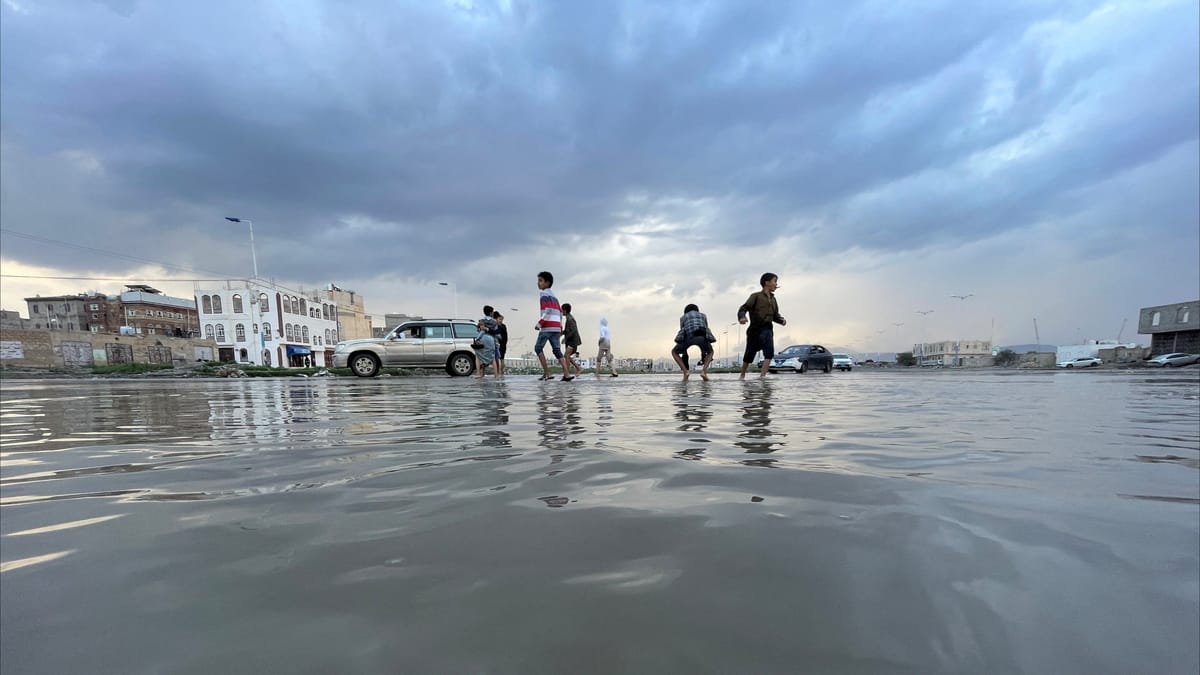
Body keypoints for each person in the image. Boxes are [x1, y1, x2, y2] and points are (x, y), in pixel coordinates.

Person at [738, 272, 786, 379]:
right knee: (749, 354)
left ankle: (762, 377)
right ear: (767, 283)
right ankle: (742, 376)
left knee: (769, 353)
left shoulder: (773, 299)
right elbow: (743, 308)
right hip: (755, 329)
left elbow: (775, 315)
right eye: (774, 281)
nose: (776, 284)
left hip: (767, 329)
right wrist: (742, 317)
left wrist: (781, 321)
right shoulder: (755, 296)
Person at [534, 271, 573, 381]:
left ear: (547, 283)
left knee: (538, 348)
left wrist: (539, 323)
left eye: (540, 281)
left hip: (547, 326)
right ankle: (566, 374)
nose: (538, 283)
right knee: (557, 350)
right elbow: (560, 313)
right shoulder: (555, 297)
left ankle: (547, 373)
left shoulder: (543, 294)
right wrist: (560, 328)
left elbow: (548, 310)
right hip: (556, 327)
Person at [672, 303, 716, 381]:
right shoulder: (703, 315)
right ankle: (704, 372)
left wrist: (684, 353)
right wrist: (703, 353)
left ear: (685, 312)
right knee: (711, 352)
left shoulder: (683, 317)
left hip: (689, 337)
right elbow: (705, 329)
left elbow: (683, 332)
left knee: (674, 352)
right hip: (702, 337)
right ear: (697, 310)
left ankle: (686, 372)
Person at [478, 305, 502, 378]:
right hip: (492, 340)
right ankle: (496, 374)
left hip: (483, 339)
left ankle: (482, 374)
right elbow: (496, 331)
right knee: (493, 358)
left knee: (482, 357)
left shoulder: (482, 321)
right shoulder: (494, 321)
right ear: (491, 313)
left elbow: (478, 329)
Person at [561, 303, 583, 378]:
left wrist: (565, 338)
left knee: (566, 355)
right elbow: (568, 330)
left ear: (565, 310)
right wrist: (562, 333)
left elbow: (574, 331)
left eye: (562, 310)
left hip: (573, 341)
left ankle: (566, 374)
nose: (561, 312)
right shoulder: (568, 318)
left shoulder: (570, 319)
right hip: (571, 340)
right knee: (566, 355)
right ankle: (578, 368)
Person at [492, 311, 508, 378]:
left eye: (501, 319)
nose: (500, 321)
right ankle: (499, 371)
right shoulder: (502, 326)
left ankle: (501, 371)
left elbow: (496, 332)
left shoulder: (501, 327)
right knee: (500, 358)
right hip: (501, 344)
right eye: (499, 319)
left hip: (502, 344)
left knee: (501, 358)